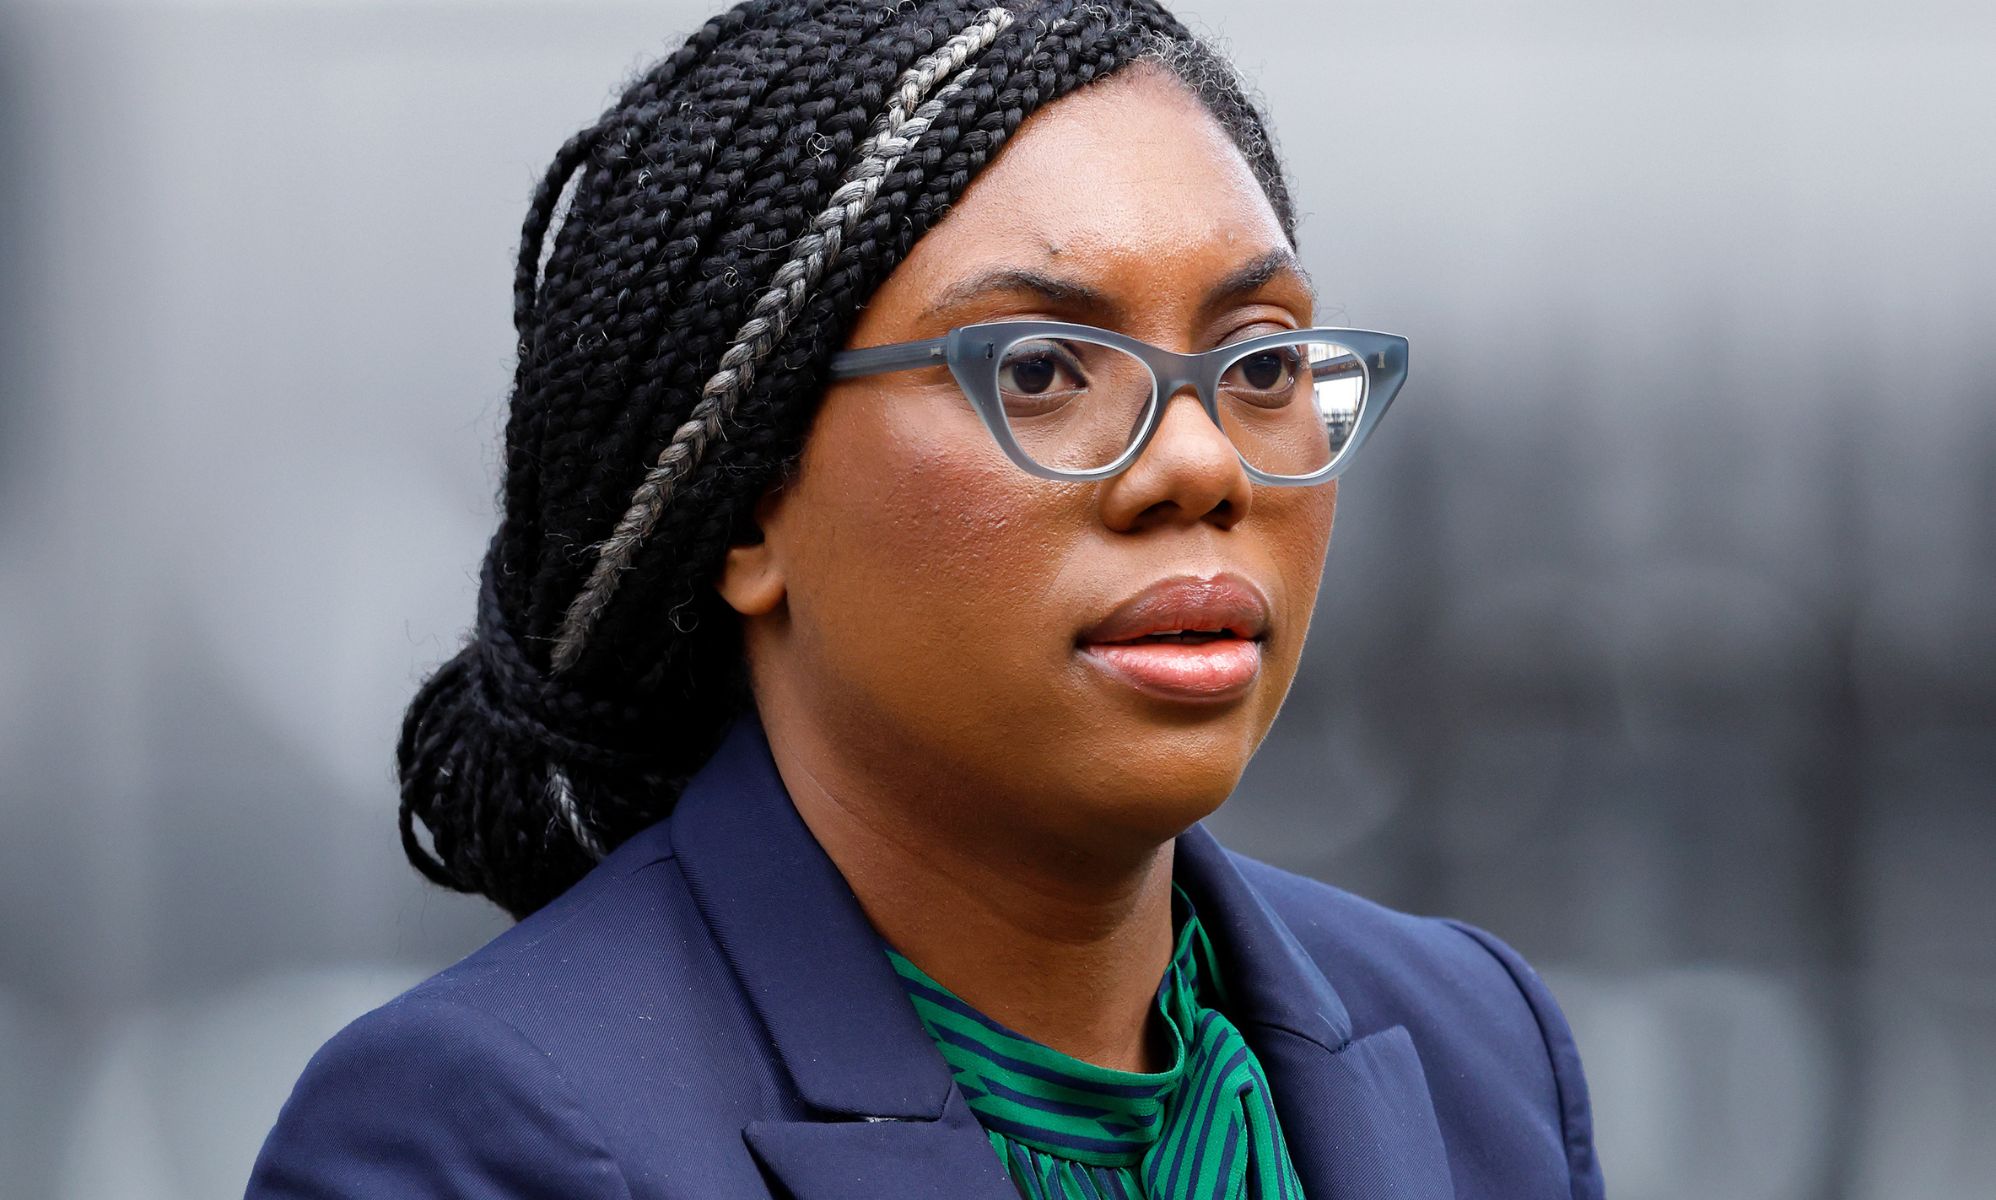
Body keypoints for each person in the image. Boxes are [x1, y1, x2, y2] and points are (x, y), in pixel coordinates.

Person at [246, 1, 1604, 1196]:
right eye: (1040, 372)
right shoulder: (485, 1131)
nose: (1199, 462)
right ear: (749, 500)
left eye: (1259, 364)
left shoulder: (1474, 1047)